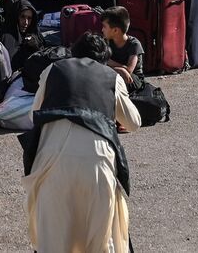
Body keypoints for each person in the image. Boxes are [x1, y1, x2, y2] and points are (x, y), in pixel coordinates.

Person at [24, 33, 140, 253]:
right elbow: (134, 123)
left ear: (73, 53)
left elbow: (33, 116)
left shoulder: (52, 70)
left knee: (54, 242)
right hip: (97, 164)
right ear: (104, 59)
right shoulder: (111, 77)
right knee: (99, 243)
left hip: (52, 164)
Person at [101, 7, 143, 86]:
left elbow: (128, 71)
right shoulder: (106, 41)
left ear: (115, 30)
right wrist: (121, 67)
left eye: (104, 26)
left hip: (132, 81)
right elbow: (101, 62)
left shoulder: (134, 44)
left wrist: (110, 65)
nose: (102, 29)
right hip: (114, 77)